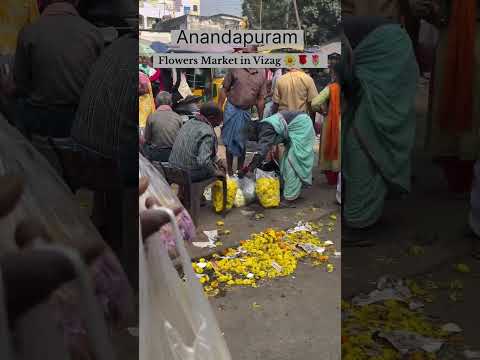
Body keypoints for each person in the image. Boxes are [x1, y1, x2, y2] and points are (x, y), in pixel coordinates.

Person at [339, 16, 418, 245]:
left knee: (363, 139)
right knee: (363, 136)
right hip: (387, 50)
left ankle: (359, 223)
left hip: (388, 55)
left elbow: (346, 78)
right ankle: (365, 215)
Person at [13, 0, 104, 139]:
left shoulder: (29, 32)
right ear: (77, 2)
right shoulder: (93, 33)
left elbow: (20, 85)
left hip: (40, 118)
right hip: (79, 118)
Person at [239, 110, 316, 202]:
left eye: (250, 138)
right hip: (297, 127)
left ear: (252, 132)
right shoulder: (263, 126)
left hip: (302, 127)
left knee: (292, 163)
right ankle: (291, 190)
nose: (252, 140)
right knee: (285, 161)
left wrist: (249, 169)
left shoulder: (265, 129)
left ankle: (289, 198)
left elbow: (261, 152)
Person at [218, 68, 267, 175]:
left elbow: (260, 99)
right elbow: (224, 89)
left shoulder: (262, 73)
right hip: (231, 109)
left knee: (243, 143)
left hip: (246, 111)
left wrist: (261, 120)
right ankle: (230, 171)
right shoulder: (235, 67)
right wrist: (218, 109)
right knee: (229, 142)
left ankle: (239, 171)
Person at [169, 102, 226, 182]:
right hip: (187, 174)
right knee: (215, 172)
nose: (218, 124)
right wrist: (216, 172)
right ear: (211, 118)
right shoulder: (207, 132)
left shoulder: (189, 122)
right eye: (218, 121)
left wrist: (219, 160)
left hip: (172, 169)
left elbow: (203, 151)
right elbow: (203, 161)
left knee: (213, 166)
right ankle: (201, 193)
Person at [311, 70, 341, 186]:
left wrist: (323, 111)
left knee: (332, 148)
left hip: (331, 122)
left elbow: (314, 103)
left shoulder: (331, 88)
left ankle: (333, 180)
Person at [143, 91, 183, 162]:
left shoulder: (151, 117)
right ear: (171, 103)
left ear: (156, 103)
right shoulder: (178, 117)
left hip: (157, 154)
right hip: (174, 154)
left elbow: (147, 139)